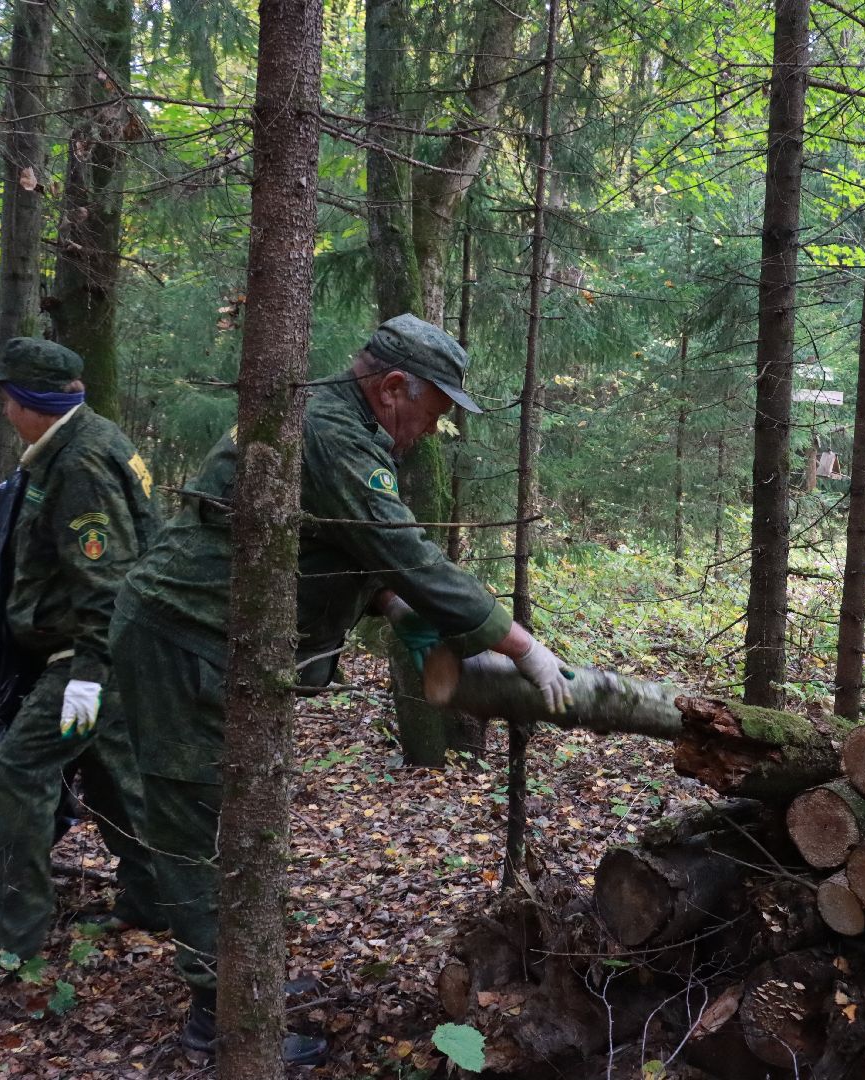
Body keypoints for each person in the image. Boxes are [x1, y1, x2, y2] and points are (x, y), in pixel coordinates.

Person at [112, 314, 572, 1065]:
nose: (432, 430)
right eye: (432, 412)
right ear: (393, 388)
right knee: (202, 820)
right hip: (180, 637)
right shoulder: (332, 431)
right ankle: (219, 1018)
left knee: (230, 814)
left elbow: (323, 547)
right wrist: (522, 645)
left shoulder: (332, 422)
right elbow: (400, 548)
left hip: (216, 640)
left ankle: (240, 983)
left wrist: (388, 606)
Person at [0, 338, 166, 973]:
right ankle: (156, 898)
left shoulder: (81, 461)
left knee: (20, 769)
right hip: (102, 653)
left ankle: (3, 934)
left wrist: (88, 676)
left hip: (89, 657)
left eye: (8, 396)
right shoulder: (77, 442)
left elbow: (108, 582)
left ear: (31, 402)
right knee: (115, 778)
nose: (3, 408)